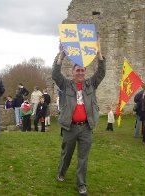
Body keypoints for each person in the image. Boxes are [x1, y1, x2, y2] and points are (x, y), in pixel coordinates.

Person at [52, 39, 106, 195]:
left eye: (83, 70)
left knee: (83, 158)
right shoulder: (66, 84)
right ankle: (62, 172)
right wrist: (61, 56)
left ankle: (81, 184)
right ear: (73, 72)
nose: (80, 73)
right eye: (78, 70)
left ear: (85, 72)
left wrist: (99, 53)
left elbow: (101, 72)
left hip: (86, 128)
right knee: (66, 154)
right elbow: (55, 74)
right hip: (70, 127)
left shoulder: (91, 84)